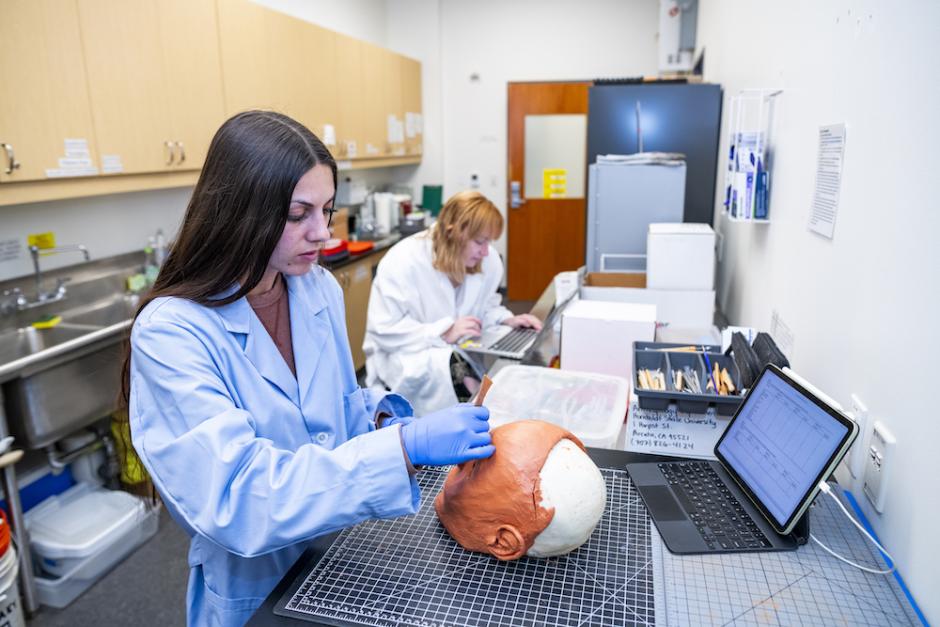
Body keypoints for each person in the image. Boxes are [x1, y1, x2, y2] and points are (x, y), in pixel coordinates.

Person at [121, 111, 495, 627]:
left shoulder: (315, 287)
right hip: (255, 585)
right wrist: (403, 450)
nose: (322, 233)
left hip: (338, 554)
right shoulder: (172, 332)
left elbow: (335, 406)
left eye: (327, 209)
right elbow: (238, 497)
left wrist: (386, 424)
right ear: (238, 212)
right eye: (298, 215)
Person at [364, 191, 542, 416]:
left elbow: (486, 307)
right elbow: (384, 330)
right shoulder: (403, 261)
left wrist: (507, 319)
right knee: (457, 376)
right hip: (406, 356)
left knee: (474, 393)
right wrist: (442, 333)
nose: (486, 251)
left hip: (461, 358)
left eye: (489, 241)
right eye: (479, 241)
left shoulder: (488, 261)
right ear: (453, 233)